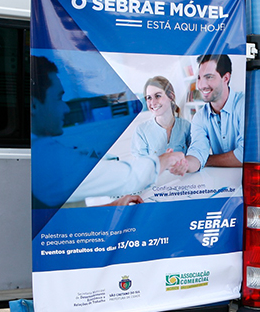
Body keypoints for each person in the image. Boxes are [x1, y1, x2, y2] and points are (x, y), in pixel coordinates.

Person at [30, 56, 186, 208]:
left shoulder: (185, 126)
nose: (67, 108)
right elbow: (131, 177)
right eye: (58, 98)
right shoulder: (45, 155)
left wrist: (114, 204)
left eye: (158, 96)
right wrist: (167, 158)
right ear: (34, 105)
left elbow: (65, 214)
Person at [184, 54, 244, 171]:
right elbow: (197, 151)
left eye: (209, 77)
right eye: (199, 78)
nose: (201, 85)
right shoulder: (199, 117)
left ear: (226, 78)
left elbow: (244, 155)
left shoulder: (245, 105)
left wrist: (206, 160)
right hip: (219, 184)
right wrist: (184, 164)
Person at [132, 76, 191, 161]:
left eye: (158, 96)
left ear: (171, 96)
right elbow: (142, 167)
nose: (153, 102)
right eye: (149, 98)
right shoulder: (141, 131)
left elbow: (194, 157)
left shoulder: (186, 126)